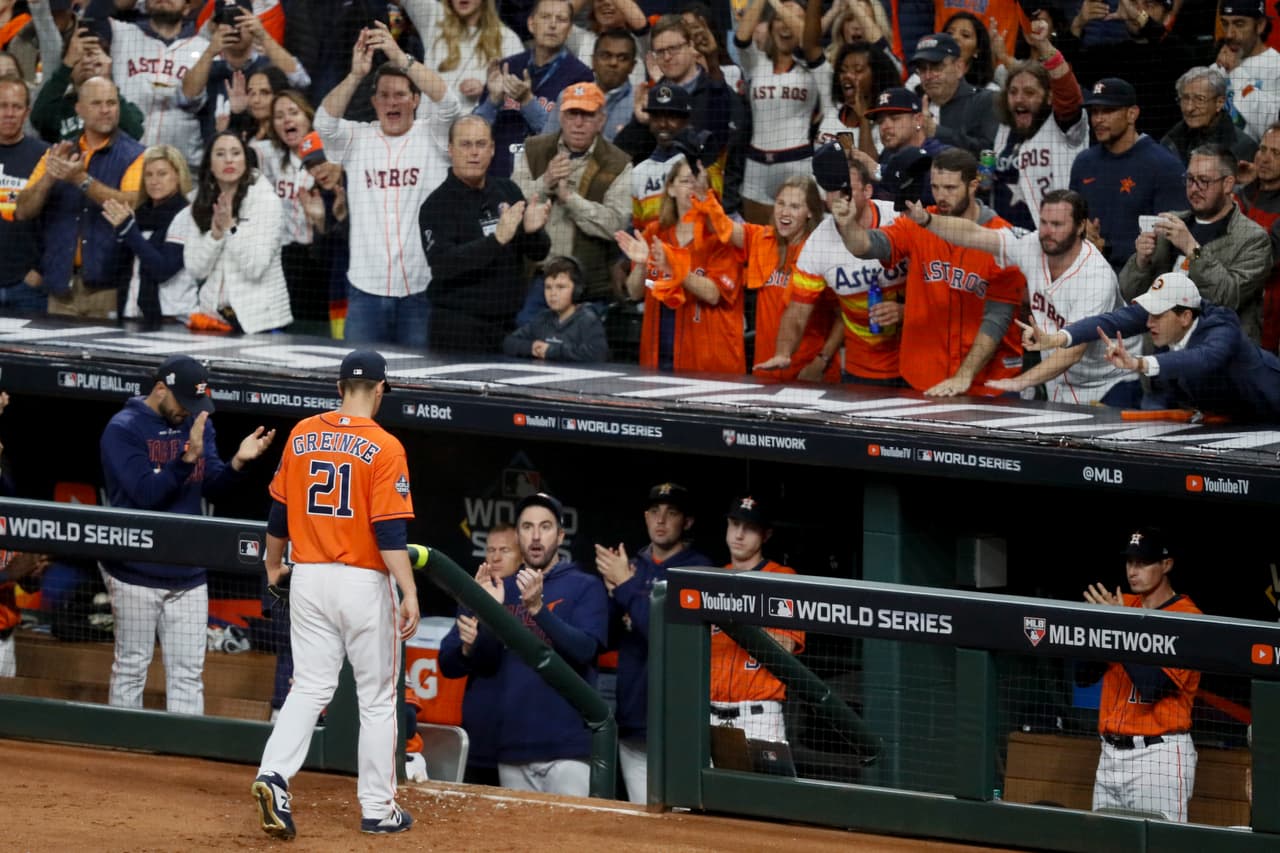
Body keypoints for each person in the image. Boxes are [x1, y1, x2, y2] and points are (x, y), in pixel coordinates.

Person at [253, 349, 418, 839]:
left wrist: (272, 567)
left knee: (308, 687)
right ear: (381, 390)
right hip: (362, 582)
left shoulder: (303, 433)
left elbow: (278, 518)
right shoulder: (387, 447)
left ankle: (274, 775)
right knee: (377, 698)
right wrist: (409, 590)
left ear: (339, 386)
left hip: (307, 577)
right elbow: (390, 534)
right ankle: (378, 808)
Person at [100, 355, 275, 715]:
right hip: (135, 571)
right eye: (184, 402)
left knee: (187, 676)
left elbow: (213, 484)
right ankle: (120, 756)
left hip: (189, 574)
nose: (189, 411)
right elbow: (145, 494)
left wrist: (238, 463)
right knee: (132, 669)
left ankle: (182, 761)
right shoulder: (123, 429)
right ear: (160, 388)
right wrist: (185, 459)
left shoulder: (197, 422)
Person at [440, 492, 608, 797]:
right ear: (518, 536)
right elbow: (485, 664)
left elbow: (584, 650)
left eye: (544, 527)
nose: (535, 535)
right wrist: (488, 613)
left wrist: (538, 610)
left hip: (568, 748)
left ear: (560, 535)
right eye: (527, 527)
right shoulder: (500, 589)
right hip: (513, 749)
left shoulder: (585, 586)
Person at [906, 188, 1141, 405]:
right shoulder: (1033, 246)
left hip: (1110, 379)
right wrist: (928, 220)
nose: (1048, 232)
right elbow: (976, 235)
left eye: (1057, 224)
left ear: (1080, 227)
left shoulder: (1095, 277)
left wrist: (1020, 382)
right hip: (1061, 381)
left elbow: (1072, 351)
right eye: (1044, 223)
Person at [832, 146, 1025, 396]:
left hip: (987, 383)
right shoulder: (919, 222)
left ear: (973, 185)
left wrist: (963, 375)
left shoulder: (1001, 238)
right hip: (924, 375)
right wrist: (848, 227)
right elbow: (868, 246)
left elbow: (998, 318)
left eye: (950, 188)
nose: (941, 196)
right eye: (935, 187)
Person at [315, 22, 459, 347]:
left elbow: (449, 103)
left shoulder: (433, 135)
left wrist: (399, 57)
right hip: (365, 289)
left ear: (416, 100)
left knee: (415, 385)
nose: (392, 102)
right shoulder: (357, 138)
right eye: (384, 96)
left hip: (420, 289)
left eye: (400, 95)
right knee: (360, 384)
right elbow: (323, 122)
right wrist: (355, 75)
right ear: (374, 102)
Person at [1020, 270, 1280, 420]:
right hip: (1228, 416)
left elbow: (1201, 359)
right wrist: (1057, 338)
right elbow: (1109, 322)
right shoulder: (1164, 317)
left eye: (1158, 314)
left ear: (1185, 317)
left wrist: (1139, 363)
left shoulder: (1222, 329)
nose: (1149, 322)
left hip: (1271, 410)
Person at [594, 481, 710, 805]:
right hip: (634, 723)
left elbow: (666, 635)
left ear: (686, 522)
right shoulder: (632, 566)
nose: (661, 521)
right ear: (646, 517)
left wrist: (626, 588)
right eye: (655, 512)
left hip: (679, 722)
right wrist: (614, 594)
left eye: (671, 513)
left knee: (685, 821)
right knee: (641, 823)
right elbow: (606, 638)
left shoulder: (697, 569)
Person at [1078, 526, 1200, 822]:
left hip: (1157, 756)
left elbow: (1152, 687)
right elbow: (1083, 676)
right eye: (1130, 562)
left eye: (1143, 563)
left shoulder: (1188, 618)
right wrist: (1099, 623)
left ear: (1166, 564)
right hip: (1109, 753)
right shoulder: (1123, 605)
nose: (1133, 571)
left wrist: (1120, 626)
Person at [757, 150, 906, 384]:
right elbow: (797, 312)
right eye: (831, 190)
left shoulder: (897, 218)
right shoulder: (818, 244)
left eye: (846, 190)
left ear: (868, 191)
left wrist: (904, 311)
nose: (838, 198)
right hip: (861, 370)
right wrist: (783, 353)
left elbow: (933, 284)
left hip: (913, 361)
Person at [15, 76, 146, 319]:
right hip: (60, 289)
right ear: (79, 109)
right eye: (97, 103)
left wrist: (80, 180)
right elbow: (23, 210)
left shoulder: (136, 155)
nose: (106, 110)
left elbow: (130, 203)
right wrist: (49, 178)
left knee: (105, 357)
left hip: (108, 290)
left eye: (112, 103)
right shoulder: (57, 153)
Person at [420, 115, 552, 353]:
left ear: (492, 150)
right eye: (465, 144)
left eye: (481, 144)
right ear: (451, 150)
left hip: (509, 327)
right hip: (456, 329)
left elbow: (538, 252)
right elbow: (442, 264)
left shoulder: (508, 190)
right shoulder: (437, 204)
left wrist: (533, 232)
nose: (474, 153)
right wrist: (496, 240)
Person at [1119, 144, 1271, 344]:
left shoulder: (1253, 239)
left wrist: (1193, 250)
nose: (1194, 188)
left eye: (1204, 181)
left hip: (1219, 355)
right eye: (1190, 179)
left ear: (1228, 184)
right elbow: (1130, 292)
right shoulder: (1170, 224)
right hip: (1162, 352)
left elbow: (1227, 297)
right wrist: (1141, 261)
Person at [511, 81, 634, 310]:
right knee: (520, 341)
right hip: (537, 278)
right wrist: (545, 182)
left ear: (601, 120)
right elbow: (511, 204)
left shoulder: (618, 163)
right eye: (572, 114)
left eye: (587, 115)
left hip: (587, 287)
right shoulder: (534, 149)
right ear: (560, 116)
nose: (578, 123)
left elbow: (616, 224)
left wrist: (569, 199)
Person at [615, 157, 745, 373]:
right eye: (686, 181)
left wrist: (674, 268)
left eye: (698, 182)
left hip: (710, 362)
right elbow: (636, 291)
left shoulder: (722, 237)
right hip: (659, 357)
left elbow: (714, 293)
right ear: (671, 189)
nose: (692, 187)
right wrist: (641, 264)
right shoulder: (654, 233)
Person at [713, 174, 835, 382]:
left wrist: (821, 361)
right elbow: (722, 227)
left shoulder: (821, 253)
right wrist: (704, 195)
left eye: (795, 206)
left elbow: (843, 316)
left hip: (808, 373)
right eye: (781, 203)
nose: (785, 212)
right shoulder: (763, 240)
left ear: (809, 213)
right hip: (767, 370)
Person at [711, 496, 804, 743]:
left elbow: (787, 646)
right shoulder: (712, 580)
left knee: (765, 783)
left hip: (758, 715)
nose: (739, 535)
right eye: (734, 524)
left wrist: (740, 619)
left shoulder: (782, 579)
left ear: (766, 535)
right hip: (709, 713)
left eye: (750, 528)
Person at [1068, 77, 1185, 272]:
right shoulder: (1084, 163)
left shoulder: (1165, 166)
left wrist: (1106, 248)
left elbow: (1171, 242)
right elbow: (1071, 221)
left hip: (1140, 282)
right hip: (1085, 275)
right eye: (1094, 112)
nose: (1098, 119)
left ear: (1132, 114)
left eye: (1108, 111)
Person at [182, 130, 292, 334]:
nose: (229, 160)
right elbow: (196, 270)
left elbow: (255, 267)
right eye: (220, 154)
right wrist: (215, 236)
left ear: (246, 160)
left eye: (235, 153)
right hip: (212, 318)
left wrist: (230, 228)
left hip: (260, 323)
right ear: (210, 165)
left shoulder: (266, 202)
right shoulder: (199, 202)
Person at [251, 88, 337, 335]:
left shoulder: (329, 156)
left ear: (307, 117)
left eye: (293, 112)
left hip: (322, 256)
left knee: (319, 332)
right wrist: (237, 114)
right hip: (285, 258)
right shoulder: (269, 154)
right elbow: (235, 150)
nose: (286, 119)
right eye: (279, 116)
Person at [473, 0, 593, 178]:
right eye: (545, 17)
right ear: (531, 24)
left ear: (569, 31)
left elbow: (567, 139)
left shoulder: (581, 77)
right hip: (497, 179)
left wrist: (527, 102)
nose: (552, 25)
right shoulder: (508, 66)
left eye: (560, 19)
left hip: (547, 181)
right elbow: (475, 130)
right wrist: (493, 101)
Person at [440, 522, 521, 785]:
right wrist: (466, 647)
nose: (495, 557)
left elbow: (493, 659)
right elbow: (447, 663)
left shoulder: (529, 597)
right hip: (479, 734)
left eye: (505, 550)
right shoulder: (474, 594)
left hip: (518, 736)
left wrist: (482, 635)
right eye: (490, 550)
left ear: (521, 555)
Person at [612, 15, 733, 185]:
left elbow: (715, 144)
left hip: (709, 199)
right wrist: (641, 122)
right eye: (660, 52)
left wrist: (713, 61)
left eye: (674, 48)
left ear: (691, 46)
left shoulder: (717, 92)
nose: (667, 57)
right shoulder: (656, 97)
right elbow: (621, 155)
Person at [990, 20, 1087, 231]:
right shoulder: (1006, 129)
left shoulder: (1065, 127)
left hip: (1055, 240)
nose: (1019, 99)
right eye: (1013, 92)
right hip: (1006, 243)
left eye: (1030, 93)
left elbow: (1068, 94)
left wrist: (1045, 48)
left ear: (1049, 97)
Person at [732, 0, 823, 225]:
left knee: (799, 243)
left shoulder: (815, 67)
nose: (785, 26)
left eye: (793, 19)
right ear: (771, 25)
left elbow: (807, 38)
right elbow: (741, 37)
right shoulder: (756, 62)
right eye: (779, 20)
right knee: (758, 242)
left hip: (798, 162)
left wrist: (779, 7)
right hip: (756, 164)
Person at [1066, 0, 1193, 142]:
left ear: (1168, 17)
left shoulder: (1178, 54)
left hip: (1162, 153)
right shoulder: (1113, 55)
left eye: (1149, 5)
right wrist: (1078, 23)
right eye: (1134, 3)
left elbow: (1172, 48)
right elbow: (1066, 67)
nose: (1138, 10)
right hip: (1113, 155)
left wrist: (1140, 17)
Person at [182, 3, 310, 143]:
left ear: (252, 23)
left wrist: (262, 35)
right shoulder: (207, 68)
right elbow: (186, 98)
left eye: (240, 20)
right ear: (216, 28)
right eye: (227, 22)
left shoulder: (269, 66)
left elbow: (301, 81)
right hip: (213, 157)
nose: (235, 28)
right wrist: (209, 51)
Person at [107, 0, 211, 167]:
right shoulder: (121, 33)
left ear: (187, 7)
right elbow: (92, 17)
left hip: (182, 168)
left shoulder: (205, 48)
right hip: (124, 163)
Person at [104, 144, 198, 327]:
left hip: (172, 318)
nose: (154, 181)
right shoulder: (137, 215)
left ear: (178, 176)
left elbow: (163, 269)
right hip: (131, 313)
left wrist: (130, 232)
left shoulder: (186, 215)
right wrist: (120, 235)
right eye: (149, 175)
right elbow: (114, 269)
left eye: (162, 174)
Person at [27, 20, 146, 144]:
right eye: (78, 56)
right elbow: (38, 119)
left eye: (91, 54)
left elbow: (134, 132)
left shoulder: (121, 105)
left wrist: (105, 80)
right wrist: (65, 67)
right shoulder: (58, 107)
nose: (86, 61)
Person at [404, 0, 523, 111]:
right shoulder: (434, 17)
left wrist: (486, 91)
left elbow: (521, 99)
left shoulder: (507, 39)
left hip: (478, 129)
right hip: (429, 130)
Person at [502, 256, 610, 361]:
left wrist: (551, 351)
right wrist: (531, 347)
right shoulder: (543, 318)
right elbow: (509, 342)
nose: (553, 293)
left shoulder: (588, 319)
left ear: (578, 290)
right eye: (548, 287)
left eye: (560, 287)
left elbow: (598, 353)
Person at [0, 71, 46, 316]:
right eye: (3, 106)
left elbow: (59, 220)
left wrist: (40, 271)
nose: (9, 113)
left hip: (27, 286)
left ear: (26, 113)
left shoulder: (44, 156)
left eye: (16, 107)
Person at [908, 32, 996, 155]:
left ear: (959, 67)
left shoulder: (985, 101)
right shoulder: (913, 106)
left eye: (936, 67)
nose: (928, 76)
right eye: (922, 69)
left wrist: (937, 132)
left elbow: (989, 152)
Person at [544, 28, 638, 142]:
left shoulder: (639, 104)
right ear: (593, 61)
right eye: (605, 55)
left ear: (632, 66)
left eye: (622, 58)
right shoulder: (567, 97)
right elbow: (546, 145)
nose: (613, 63)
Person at [864, 86, 947, 207]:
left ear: (918, 120)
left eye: (894, 118)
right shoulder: (887, 156)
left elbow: (928, 192)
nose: (885, 127)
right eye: (880, 121)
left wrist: (879, 171)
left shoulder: (941, 155)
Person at [1236, 122, 1280, 350]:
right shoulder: (1243, 192)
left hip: (1268, 315)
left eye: (1276, 153)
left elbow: (1263, 260)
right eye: (1262, 149)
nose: (1264, 158)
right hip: (1233, 305)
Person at [814, 40, 898, 153]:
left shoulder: (885, 123)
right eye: (843, 70)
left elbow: (869, 168)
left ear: (877, 76)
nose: (847, 75)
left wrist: (864, 118)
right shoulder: (832, 106)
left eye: (858, 70)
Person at [1161, 67, 1257, 167]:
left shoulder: (1243, 147)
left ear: (1219, 103)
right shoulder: (1170, 142)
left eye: (1199, 99)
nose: (1189, 108)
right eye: (1185, 98)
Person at [1214, 0, 1280, 143]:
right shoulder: (1217, 68)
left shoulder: (1276, 67)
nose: (1230, 34)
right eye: (1225, 24)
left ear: (1260, 25)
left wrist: (1236, 72)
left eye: (1239, 24)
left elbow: (1271, 129)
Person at [629, 83, 692, 232]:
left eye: (671, 116)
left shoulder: (698, 164)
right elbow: (638, 229)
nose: (663, 124)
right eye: (657, 116)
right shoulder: (638, 172)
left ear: (685, 120)